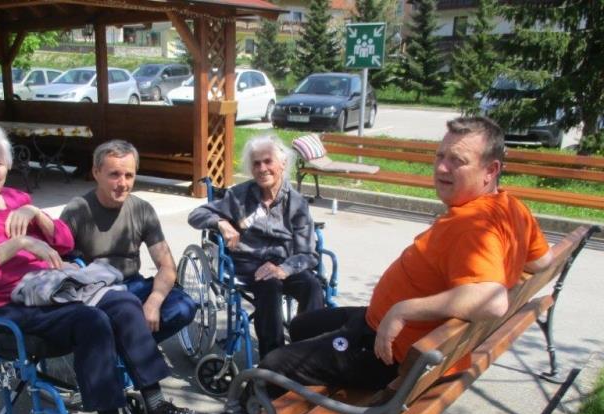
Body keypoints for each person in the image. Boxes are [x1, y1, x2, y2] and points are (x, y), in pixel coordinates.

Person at [0, 124, 211, 414]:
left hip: (51, 290)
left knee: (124, 303)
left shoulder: (16, 198)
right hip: (5, 305)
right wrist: (18, 245)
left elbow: (64, 242)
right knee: (92, 322)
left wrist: (35, 213)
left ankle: (155, 407)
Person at [258, 116, 554, 393]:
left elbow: (492, 300)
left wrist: (403, 310)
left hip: (384, 352)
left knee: (270, 366)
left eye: (458, 161)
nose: (442, 168)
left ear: (491, 170)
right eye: (440, 156)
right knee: (302, 325)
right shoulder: (511, 208)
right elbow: (542, 261)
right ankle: (298, 390)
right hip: (378, 323)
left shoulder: (471, 226)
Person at [187, 134, 324, 359]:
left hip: (285, 264)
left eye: (268, 161)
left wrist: (284, 269)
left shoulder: (297, 203)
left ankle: (308, 353)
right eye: (256, 163)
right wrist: (220, 222)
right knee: (269, 285)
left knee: (312, 286)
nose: (262, 169)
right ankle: (274, 359)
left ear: (283, 164)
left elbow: (307, 253)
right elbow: (196, 215)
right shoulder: (238, 196)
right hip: (248, 265)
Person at [60, 140, 196, 343]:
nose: (123, 183)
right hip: (93, 291)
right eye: (114, 174)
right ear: (96, 172)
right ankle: (131, 345)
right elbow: (54, 261)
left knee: (184, 306)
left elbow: (167, 266)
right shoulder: (77, 210)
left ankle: (125, 345)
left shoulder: (142, 210)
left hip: (132, 285)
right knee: (106, 322)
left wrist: (154, 302)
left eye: (129, 175)